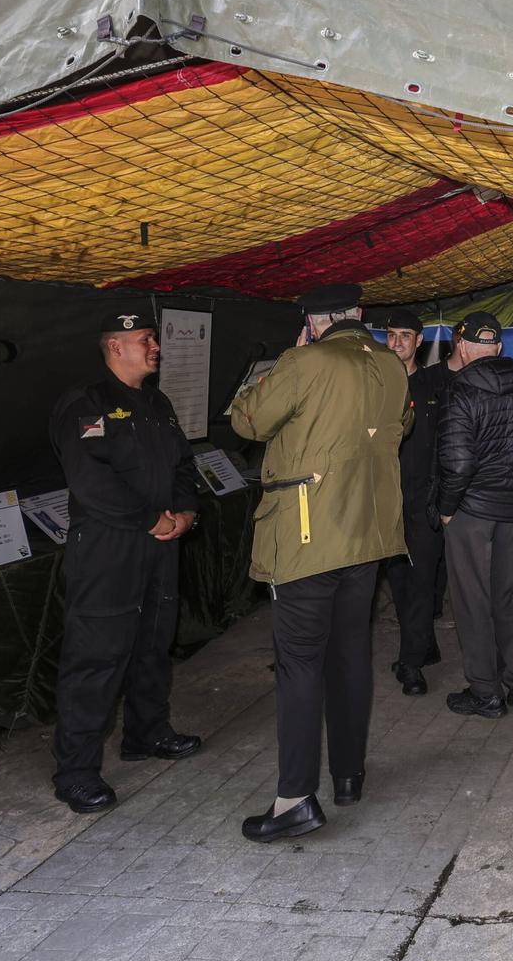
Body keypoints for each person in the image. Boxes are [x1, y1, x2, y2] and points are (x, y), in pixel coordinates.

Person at [230, 284, 408, 841]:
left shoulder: (304, 361)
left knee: (299, 665)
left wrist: (287, 358)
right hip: (368, 536)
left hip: (309, 539)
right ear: (358, 316)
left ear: (313, 321)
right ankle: (348, 775)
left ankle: (295, 800)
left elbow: (247, 421)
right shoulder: (392, 365)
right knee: (350, 655)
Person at [46, 309, 203, 815]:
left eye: (153, 338)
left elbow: (182, 463)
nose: (155, 347)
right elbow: (90, 481)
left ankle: (147, 734)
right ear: (115, 346)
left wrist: (184, 510)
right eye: (145, 339)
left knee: (154, 642)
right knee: (96, 657)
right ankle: (76, 772)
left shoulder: (157, 402)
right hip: (109, 547)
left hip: (160, 542)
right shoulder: (87, 404)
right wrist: (148, 519)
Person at [435, 311, 513, 718]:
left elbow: (458, 461)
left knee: (472, 601)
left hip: (472, 509)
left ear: (461, 347)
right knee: (512, 599)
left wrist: (447, 508)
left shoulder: (460, 388)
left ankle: (486, 692)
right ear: (498, 348)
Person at [383, 307, 450, 696]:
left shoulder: (434, 387)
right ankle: (423, 643)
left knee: (423, 581)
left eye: (404, 336)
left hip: (424, 501)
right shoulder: (373, 386)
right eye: (390, 335)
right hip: (386, 502)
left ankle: (411, 665)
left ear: (418, 341)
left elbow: (447, 446)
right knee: (400, 582)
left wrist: (444, 499)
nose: (396, 343)